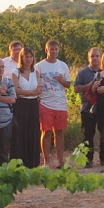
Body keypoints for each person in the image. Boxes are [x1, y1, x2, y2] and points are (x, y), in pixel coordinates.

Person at [35, 39, 71, 169]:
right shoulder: (39, 66)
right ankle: (46, 161)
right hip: (45, 103)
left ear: (58, 50)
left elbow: (68, 84)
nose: (54, 52)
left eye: (56, 49)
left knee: (59, 132)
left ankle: (61, 161)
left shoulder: (63, 66)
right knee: (46, 132)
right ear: (46, 50)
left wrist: (62, 80)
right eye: (51, 49)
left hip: (60, 103)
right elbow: (35, 84)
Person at [10, 47, 42, 169]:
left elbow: (38, 90)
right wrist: (32, 92)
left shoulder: (36, 72)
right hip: (20, 105)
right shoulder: (15, 72)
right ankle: (18, 162)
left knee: (32, 132)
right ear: (21, 58)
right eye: (26, 57)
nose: (28, 59)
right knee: (19, 132)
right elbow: (15, 90)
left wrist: (32, 93)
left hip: (33, 105)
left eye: (30, 56)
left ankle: (32, 162)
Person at [73, 47, 102, 167]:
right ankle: (88, 160)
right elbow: (76, 88)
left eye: (97, 56)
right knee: (88, 135)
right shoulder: (83, 73)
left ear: (100, 57)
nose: (95, 58)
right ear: (88, 58)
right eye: (92, 56)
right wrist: (88, 86)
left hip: (102, 108)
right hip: (86, 108)